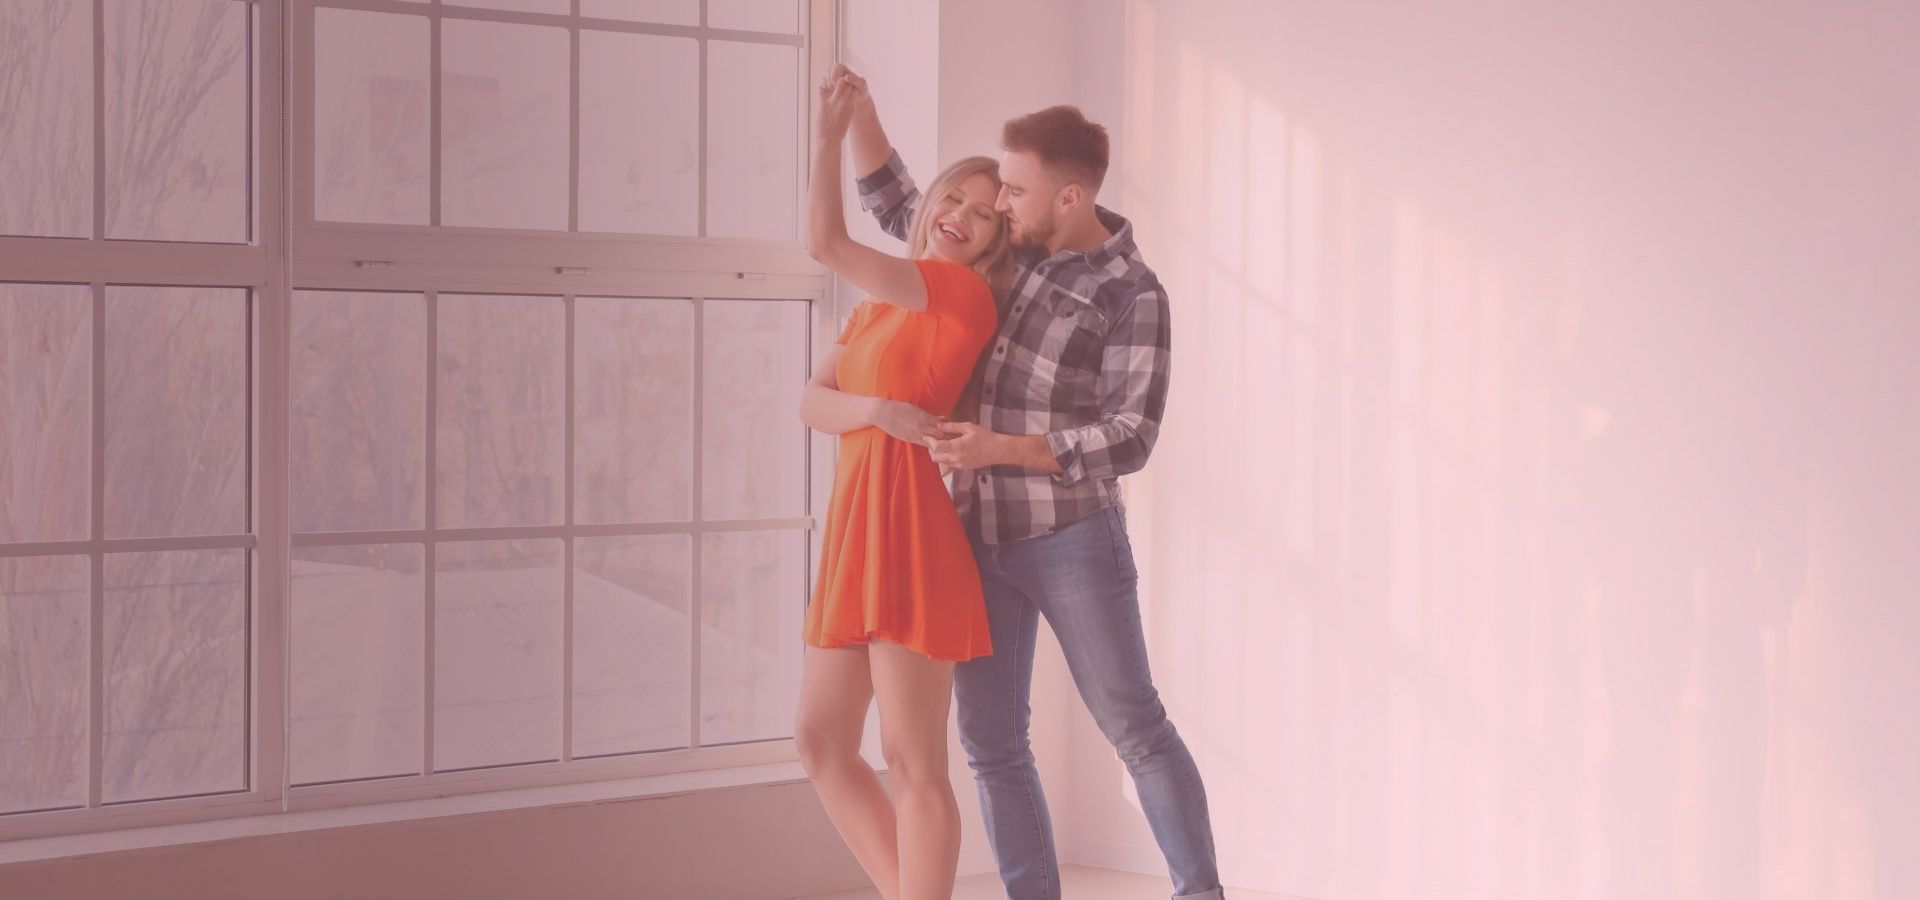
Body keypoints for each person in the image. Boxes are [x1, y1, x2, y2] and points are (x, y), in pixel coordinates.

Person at [837, 62, 1228, 900]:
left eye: (1014, 190)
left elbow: (1132, 436)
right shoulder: (1002, 249)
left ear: (1071, 197)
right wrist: (862, 110)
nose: (999, 204)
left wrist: (998, 450)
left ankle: (1203, 893)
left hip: (1075, 538)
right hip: (978, 538)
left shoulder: (1133, 293)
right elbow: (898, 202)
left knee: (1135, 728)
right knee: (993, 745)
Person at [793, 72, 1012, 900]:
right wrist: (878, 408)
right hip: (855, 527)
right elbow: (811, 402)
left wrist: (826, 140)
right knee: (820, 741)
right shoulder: (874, 308)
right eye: (954, 195)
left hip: (910, 531)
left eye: (984, 213)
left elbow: (824, 245)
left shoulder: (962, 294)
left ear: (992, 241)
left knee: (913, 763)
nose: (959, 213)